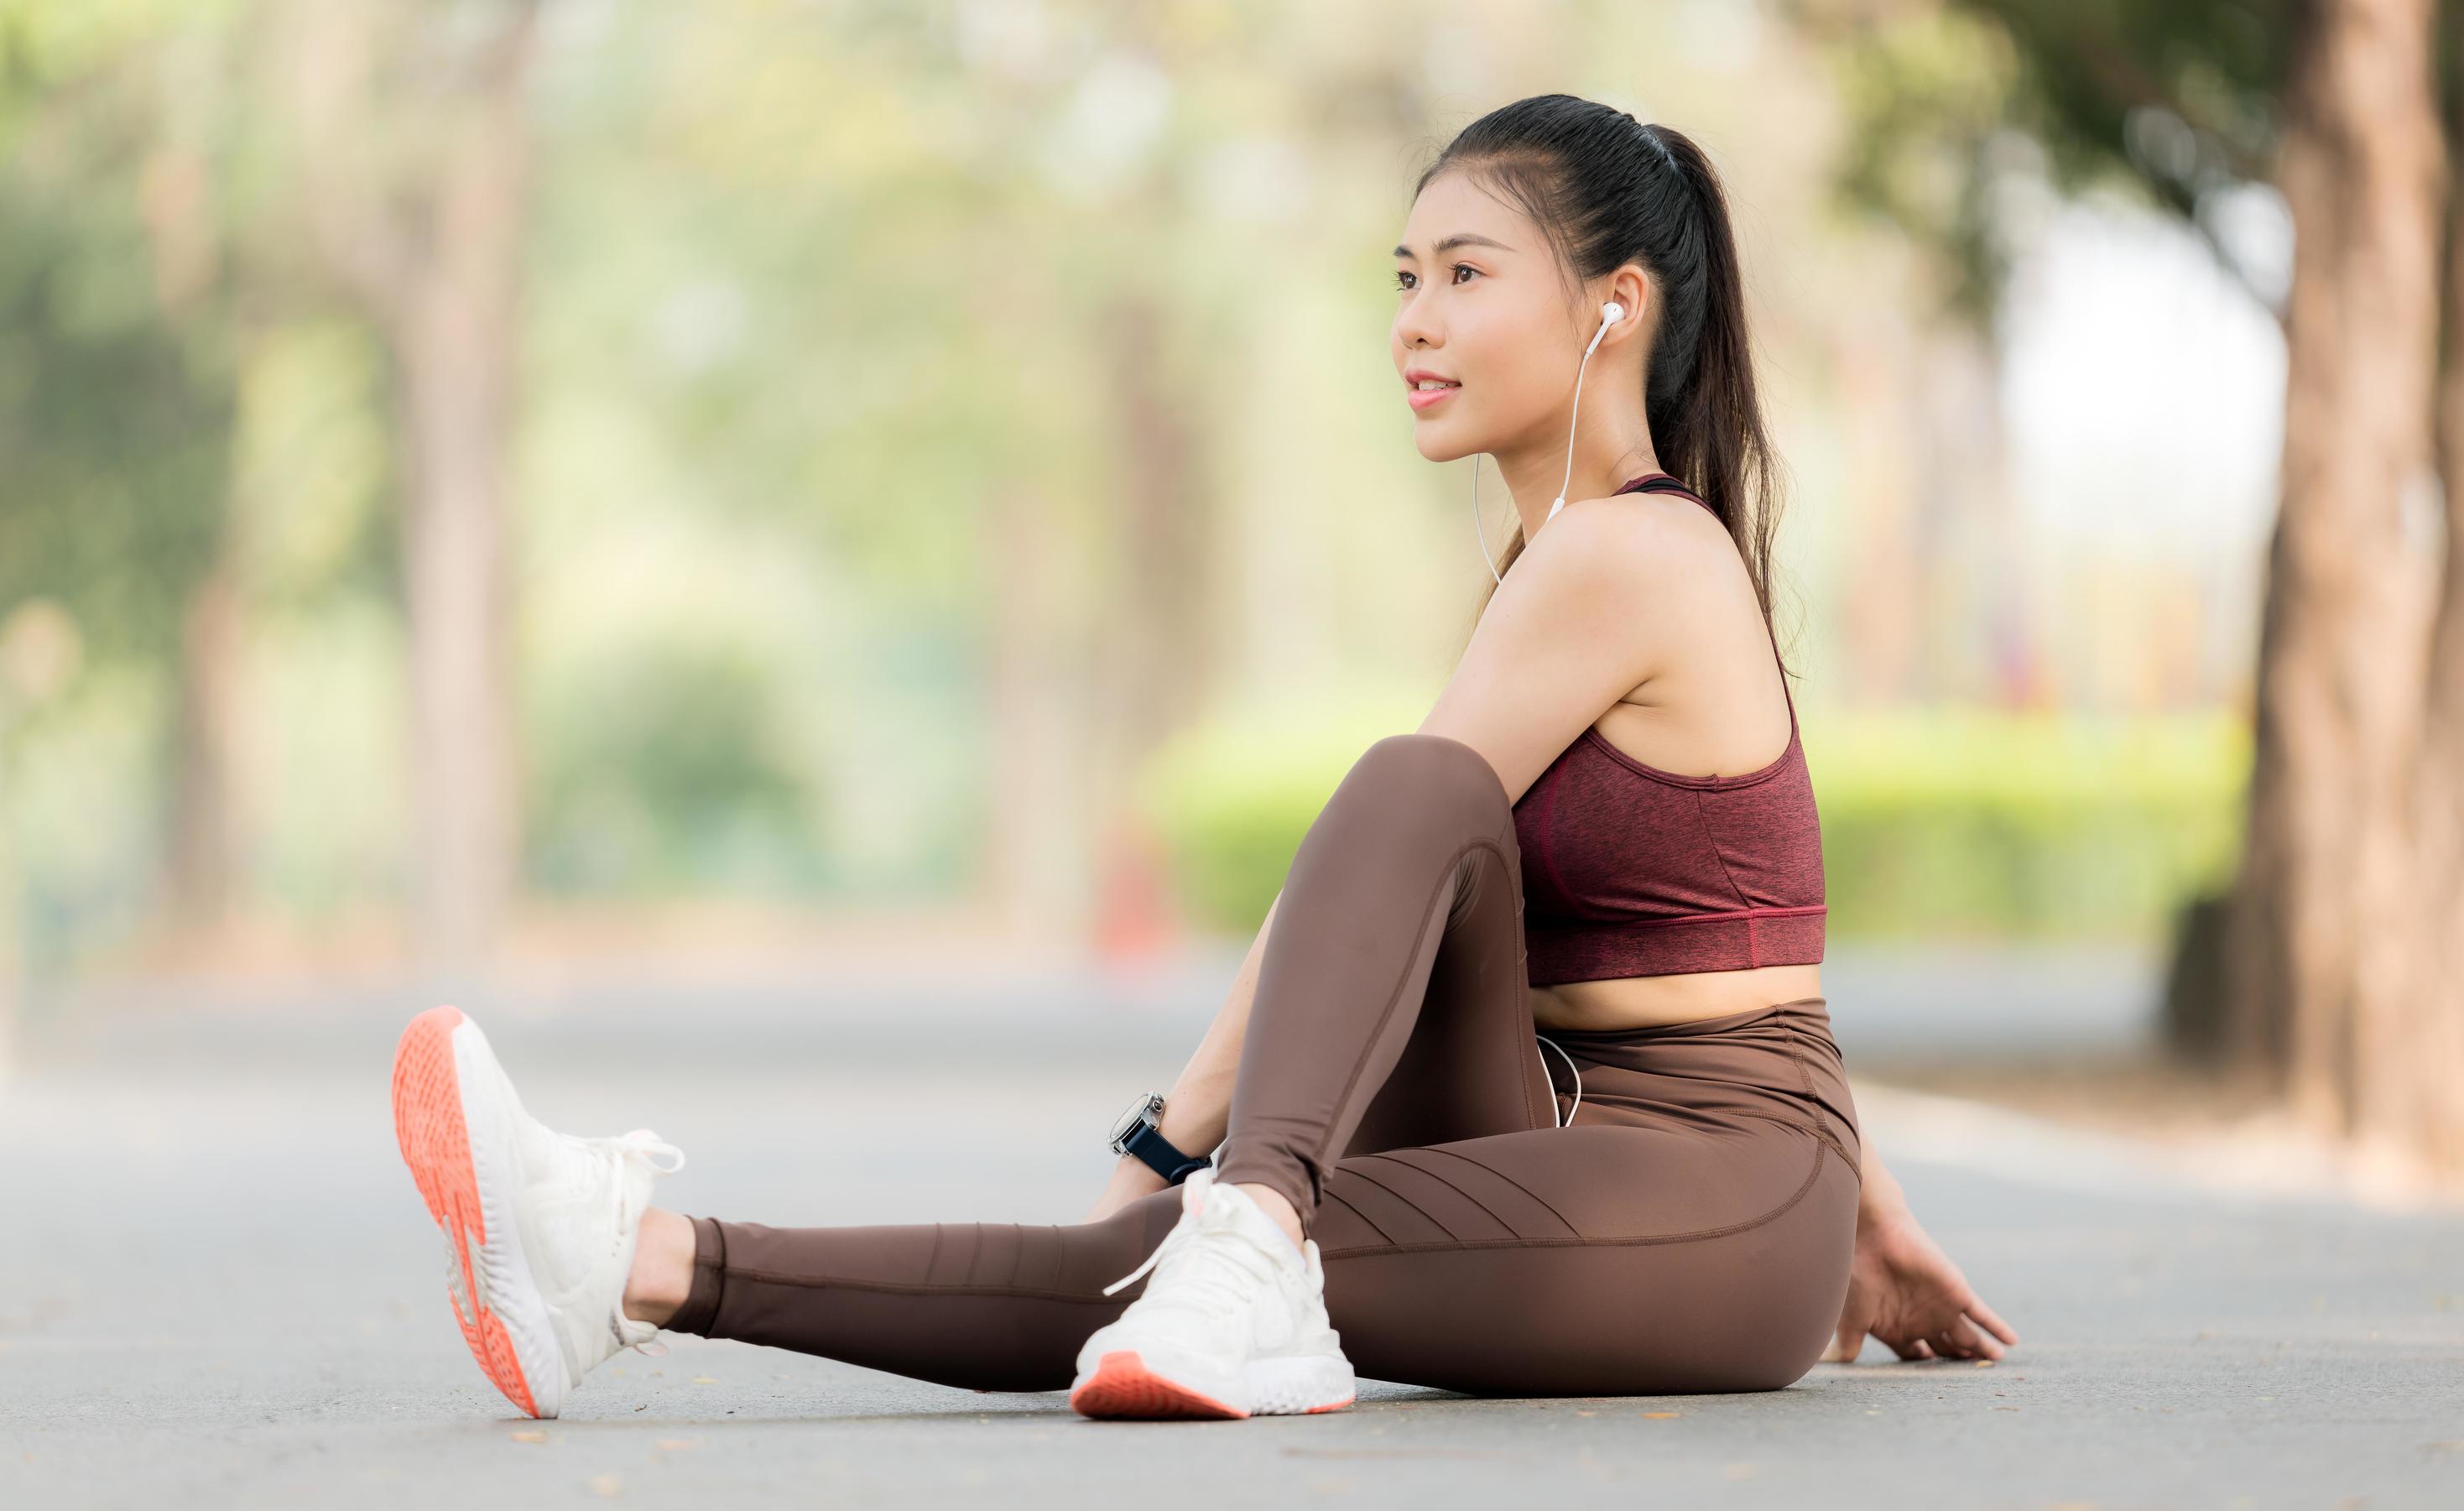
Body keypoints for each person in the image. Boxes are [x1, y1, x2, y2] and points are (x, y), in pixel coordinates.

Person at [390, 93, 2017, 1424]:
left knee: (1382, 844)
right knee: (1407, 810)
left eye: (1463, 275)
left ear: (1614, 306)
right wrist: (1872, 1218)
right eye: (1400, 277)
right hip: (1591, 1144)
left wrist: (1169, 1146)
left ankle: (1193, 1234)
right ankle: (619, 1266)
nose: (1412, 322)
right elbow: (1707, 915)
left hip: (1714, 1194)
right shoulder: (1564, 570)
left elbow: (1731, 990)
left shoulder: (1630, 558)